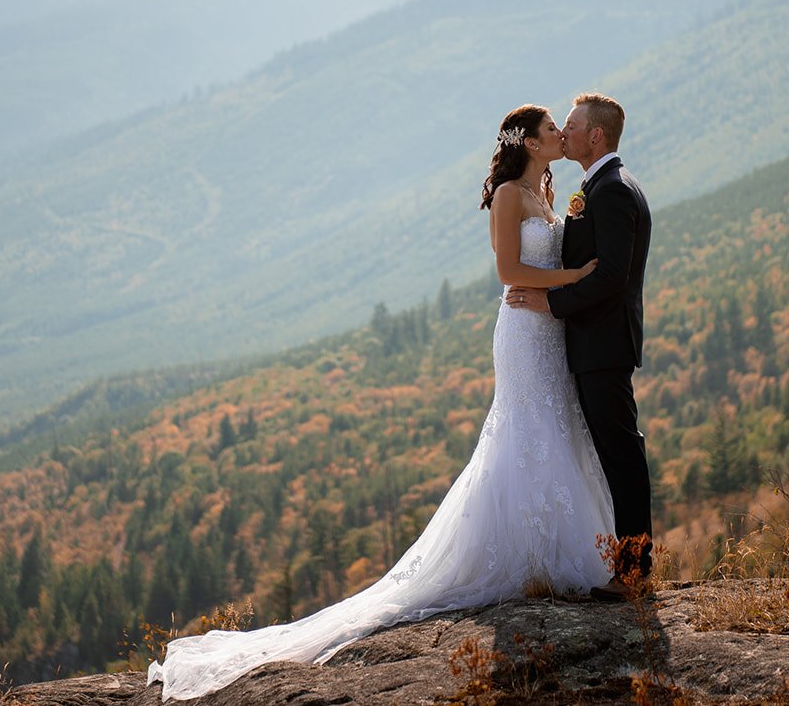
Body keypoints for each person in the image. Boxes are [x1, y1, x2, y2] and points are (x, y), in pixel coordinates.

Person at [146, 104, 614, 701]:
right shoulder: (507, 197)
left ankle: (555, 553)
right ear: (525, 139)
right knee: (525, 430)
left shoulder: (545, 190)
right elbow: (506, 270)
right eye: (551, 129)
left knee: (556, 425)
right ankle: (528, 558)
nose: (559, 135)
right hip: (524, 331)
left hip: (549, 326)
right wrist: (574, 281)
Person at [506, 92, 653, 596]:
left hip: (603, 343)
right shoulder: (600, 186)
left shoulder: (611, 190)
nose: (563, 134)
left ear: (596, 136)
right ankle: (624, 565)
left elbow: (611, 276)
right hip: (591, 343)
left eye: (570, 126)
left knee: (621, 455)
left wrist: (553, 304)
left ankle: (633, 572)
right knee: (610, 454)